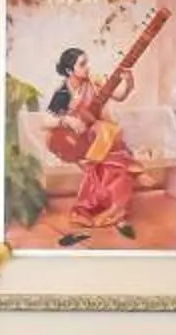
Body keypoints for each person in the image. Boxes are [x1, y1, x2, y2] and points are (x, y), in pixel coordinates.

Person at [42, 45, 141, 244]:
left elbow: (120, 95)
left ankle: (105, 208)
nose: (88, 67)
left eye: (87, 62)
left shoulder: (95, 81)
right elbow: (45, 122)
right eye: (83, 64)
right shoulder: (64, 92)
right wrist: (67, 120)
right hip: (78, 143)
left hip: (99, 140)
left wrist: (129, 82)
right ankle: (130, 169)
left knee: (108, 140)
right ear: (70, 70)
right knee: (110, 139)